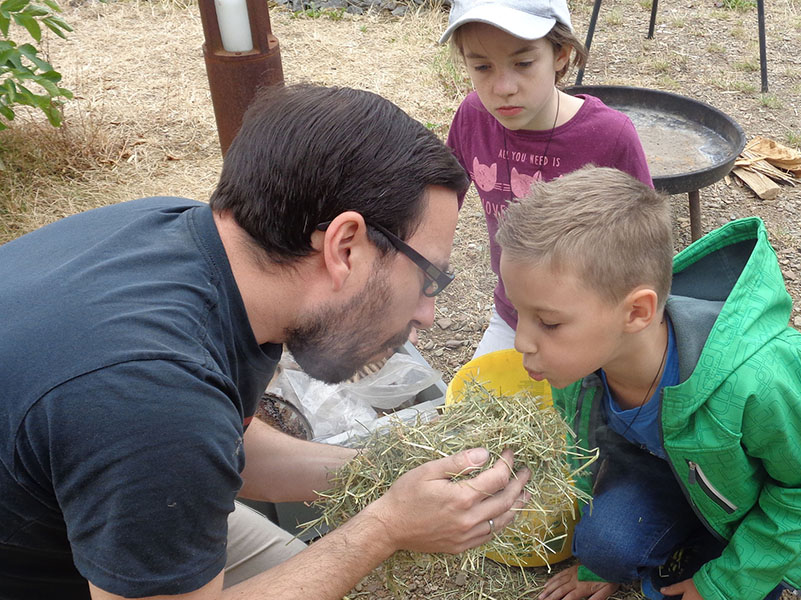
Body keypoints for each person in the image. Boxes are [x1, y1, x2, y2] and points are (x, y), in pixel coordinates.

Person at [0, 83, 532, 600]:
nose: (428, 314)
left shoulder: (187, 238)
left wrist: (381, 476)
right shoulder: (155, 401)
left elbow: (220, 446)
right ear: (346, 247)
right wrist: (384, 528)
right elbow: (172, 437)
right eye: (425, 277)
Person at [494, 166, 801, 600]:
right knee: (602, 549)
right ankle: (683, 545)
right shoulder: (575, 362)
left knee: (711, 589)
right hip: (678, 469)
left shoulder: (754, 380)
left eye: (547, 322)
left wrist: (723, 584)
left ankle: (714, 558)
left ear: (638, 312)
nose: (521, 342)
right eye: (519, 314)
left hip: (785, 501)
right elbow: (584, 446)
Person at [440, 0, 653, 359]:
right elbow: (440, 205)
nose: (504, 87)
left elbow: (646, 248)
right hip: (514, 317)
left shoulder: (610, 136)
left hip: (595, 326)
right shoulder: (471, 117)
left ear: (561, 55)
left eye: (523, 63)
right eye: (482, 66)